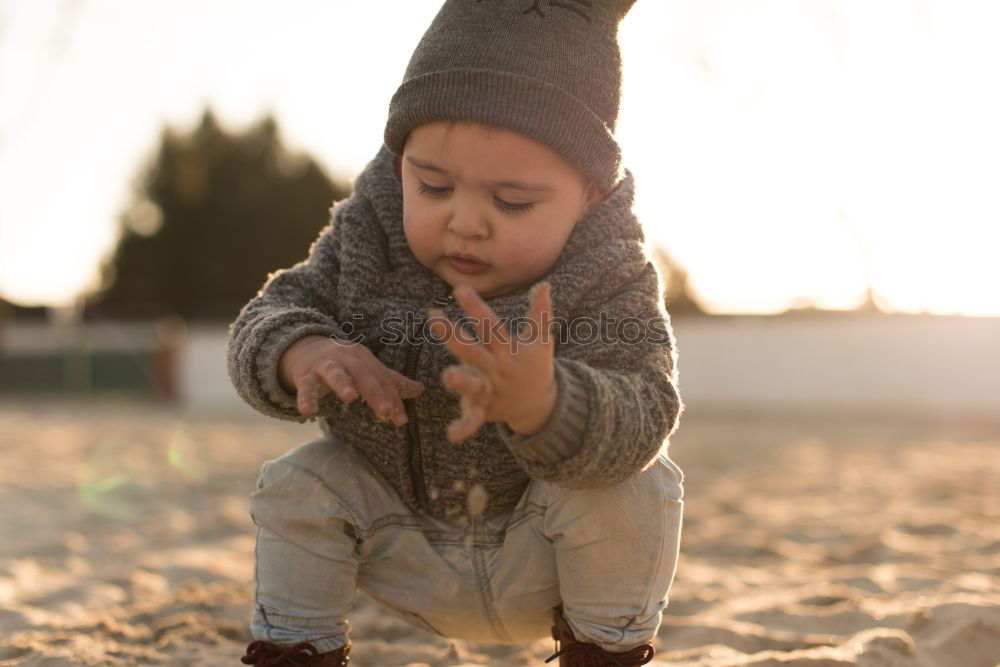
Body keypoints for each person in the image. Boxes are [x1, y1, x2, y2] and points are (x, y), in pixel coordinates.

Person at [227, 1, 686, 665]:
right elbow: (268, 313)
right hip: (400, 536)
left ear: (588, 194)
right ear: (398, 167)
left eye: (512, 201)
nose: (465, 221)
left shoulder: (608, 272)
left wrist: (548, 405)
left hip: (544, 555)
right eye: (434, 185)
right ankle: (299, 649)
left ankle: (602, 654)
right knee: (299, 481)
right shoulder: (369, 236)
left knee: (642, 486)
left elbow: (647, 407)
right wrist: (306, 350)